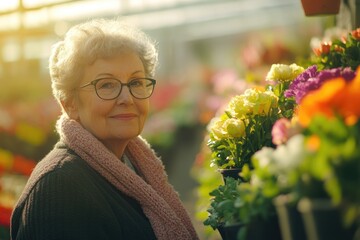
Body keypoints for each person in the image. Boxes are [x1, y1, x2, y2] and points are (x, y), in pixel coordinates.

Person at [10, 18, 199, 240]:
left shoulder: (134, 166)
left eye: (136, 82)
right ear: (69, 103)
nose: (127, 98)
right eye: (107, 85)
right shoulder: (59, 188)